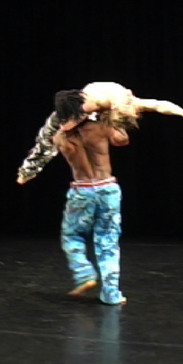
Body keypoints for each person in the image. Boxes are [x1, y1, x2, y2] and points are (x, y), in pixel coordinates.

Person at [17, 82, 183, 185]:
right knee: (47, 140)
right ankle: (28, 170)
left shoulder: (131, 102)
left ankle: (31, 167)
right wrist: (63, 130)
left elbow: (159, 105)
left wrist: (182, 112)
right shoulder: (92, 105)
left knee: (117, 137)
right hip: (77, 106)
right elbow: (67, 123)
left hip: (102, 108)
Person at [52, 111, 130, 305]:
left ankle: (85, 273)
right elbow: (123, 140)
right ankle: (111, 294)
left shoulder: (60, 136)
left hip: (82, 189)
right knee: (108, 240)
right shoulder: (101, 127)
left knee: (72, 236)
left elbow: (57, 145)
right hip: (107, 188)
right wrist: (115, 118)